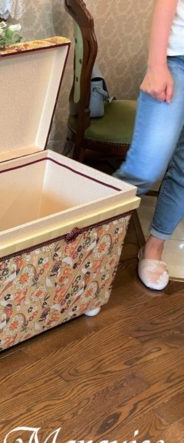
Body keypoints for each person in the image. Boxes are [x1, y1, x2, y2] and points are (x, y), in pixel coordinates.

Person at [115, 0, 184, 290]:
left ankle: (154, 247)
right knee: (145, 167)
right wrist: (157, 65)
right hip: (177, 58)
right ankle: (89, 235)